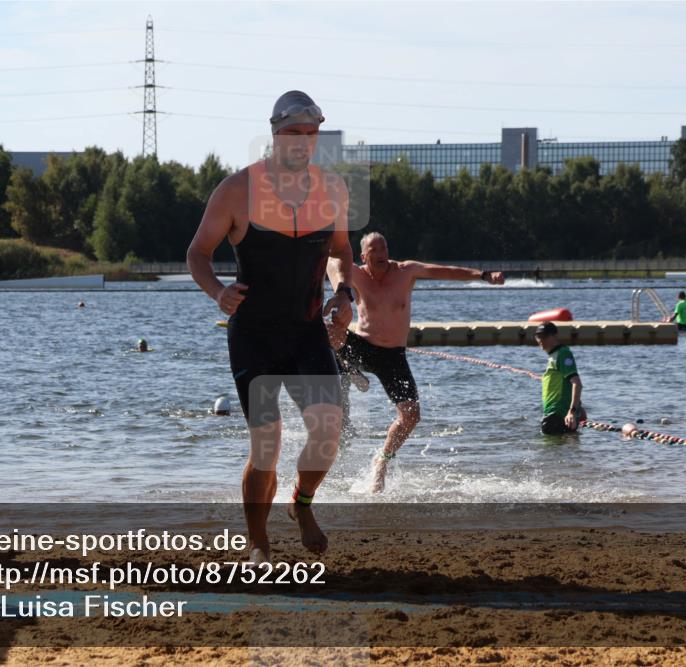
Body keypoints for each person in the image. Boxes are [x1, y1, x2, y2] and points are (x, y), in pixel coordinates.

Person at [186, 90, 354, 563]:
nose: (303, 142)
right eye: (294, 133)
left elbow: (341, 252)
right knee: (267, 444)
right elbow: (197, 253)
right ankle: (257, 541)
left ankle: (301, 505)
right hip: (254, 335)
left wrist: (343, 295)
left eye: (311, 133)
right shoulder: (237, 190)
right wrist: (217, 291)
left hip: (306, 331)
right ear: (275, 134)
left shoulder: (332, 190)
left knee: (328, 432)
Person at [326, 232, 504, 492]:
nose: (381, 255)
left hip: (392, 355)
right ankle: (348, 366)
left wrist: (483, 275)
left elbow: (443, 271)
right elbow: (328, 262)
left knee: (411, 415)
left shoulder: (405, 272)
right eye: (374, 251)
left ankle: (382, 461)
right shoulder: (357, 274)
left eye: (384, 248)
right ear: (364, 256)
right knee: (329, 327)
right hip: (362, 346)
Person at [534, 322, 586, 435]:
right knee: (560, 449)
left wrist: (572, 411)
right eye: (538, 336)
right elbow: (565, 385)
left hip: (559, 415)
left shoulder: (563, 354)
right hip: (553, 414)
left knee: (548, 449)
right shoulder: (554, 356)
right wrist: (579, 408)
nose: (541, 340)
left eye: (545, 336)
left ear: (555, 336)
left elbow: (576, 383)